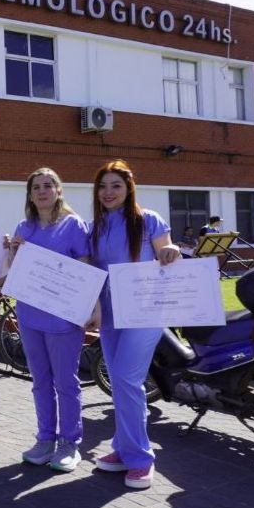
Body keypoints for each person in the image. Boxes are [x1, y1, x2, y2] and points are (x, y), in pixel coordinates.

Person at [89, 160, 181, 489]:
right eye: (103, 186)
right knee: (118, 381)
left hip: (145, 311)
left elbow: (167, 256)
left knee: (128, 379)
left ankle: (141, 458)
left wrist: (172, 250)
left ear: (129, 187)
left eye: (116, 185)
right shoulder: (94, 227)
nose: (108, 192)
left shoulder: (149, 220)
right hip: (111, 313)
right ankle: (122, 448)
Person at [6, 168, 90, 472]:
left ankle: (70, 443)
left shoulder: (74, 225)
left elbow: (85, 269)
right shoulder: (23, 227)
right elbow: (14, 272)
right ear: (30, 195)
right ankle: (45, 439)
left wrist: (87, 310)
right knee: (40, 382)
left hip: (64, 320)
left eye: (47, 186)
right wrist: (13, 252)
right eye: (36, 187)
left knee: (66, 382)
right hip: (29, 316)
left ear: (58, 190)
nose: (41, 191)